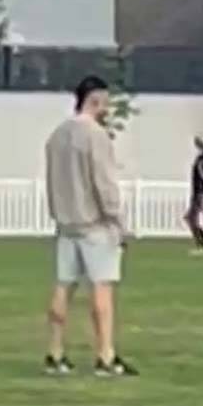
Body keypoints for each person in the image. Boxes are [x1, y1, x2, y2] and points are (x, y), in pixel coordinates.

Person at [43, 75, 138, 376]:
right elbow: (104, 183)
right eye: (105, 102)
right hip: (94, 223)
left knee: (63, 285)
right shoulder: (95, 136)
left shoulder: (57, 135)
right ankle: (105, 355)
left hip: (67, 222)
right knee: (102, 288)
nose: (107, 108)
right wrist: (117, 221)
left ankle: (55, 352)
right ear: (94, 100)